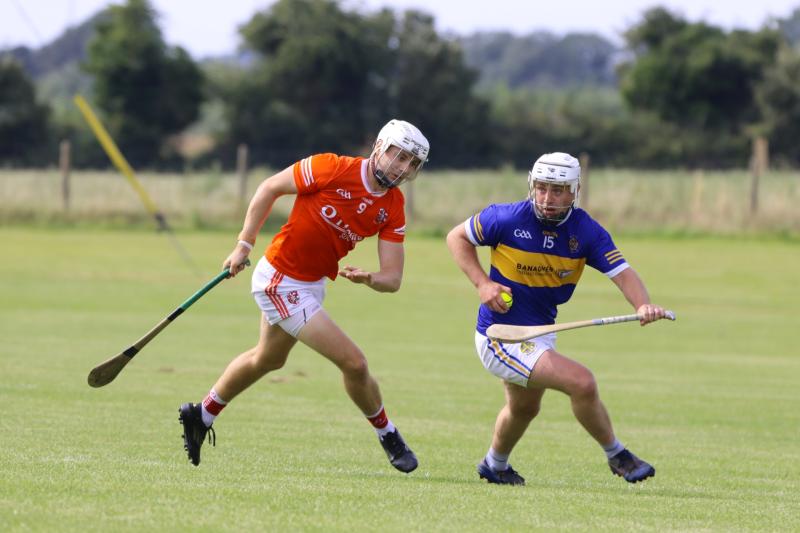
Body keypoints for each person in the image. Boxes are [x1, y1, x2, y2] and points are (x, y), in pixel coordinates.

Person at [179, 119, 430, 474]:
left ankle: (200, 414)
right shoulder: (332, 167)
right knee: (355, 363)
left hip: (311, 284)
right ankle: (388, 434)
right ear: (379, 147)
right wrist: (243, 244)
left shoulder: (393, 205)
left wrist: (370, 278)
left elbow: (393, 279)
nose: (403, 168)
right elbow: (269, 188)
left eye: (412, 164)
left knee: (267, 359)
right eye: (398, 156)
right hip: (280, 280)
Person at [446, 152, 668, 485]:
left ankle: (495, 465)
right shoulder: (505, 219)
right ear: (532, 187)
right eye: (542, 188)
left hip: (541, 334)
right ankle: (617, 455)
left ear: (575, 191)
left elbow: (623, 273)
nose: (548, 199)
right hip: (501, 336)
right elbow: (456, 237)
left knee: (524, 408)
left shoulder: (586, 231)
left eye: (559, 190)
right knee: (582, 382)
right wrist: (483, 283)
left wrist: (643, 305)